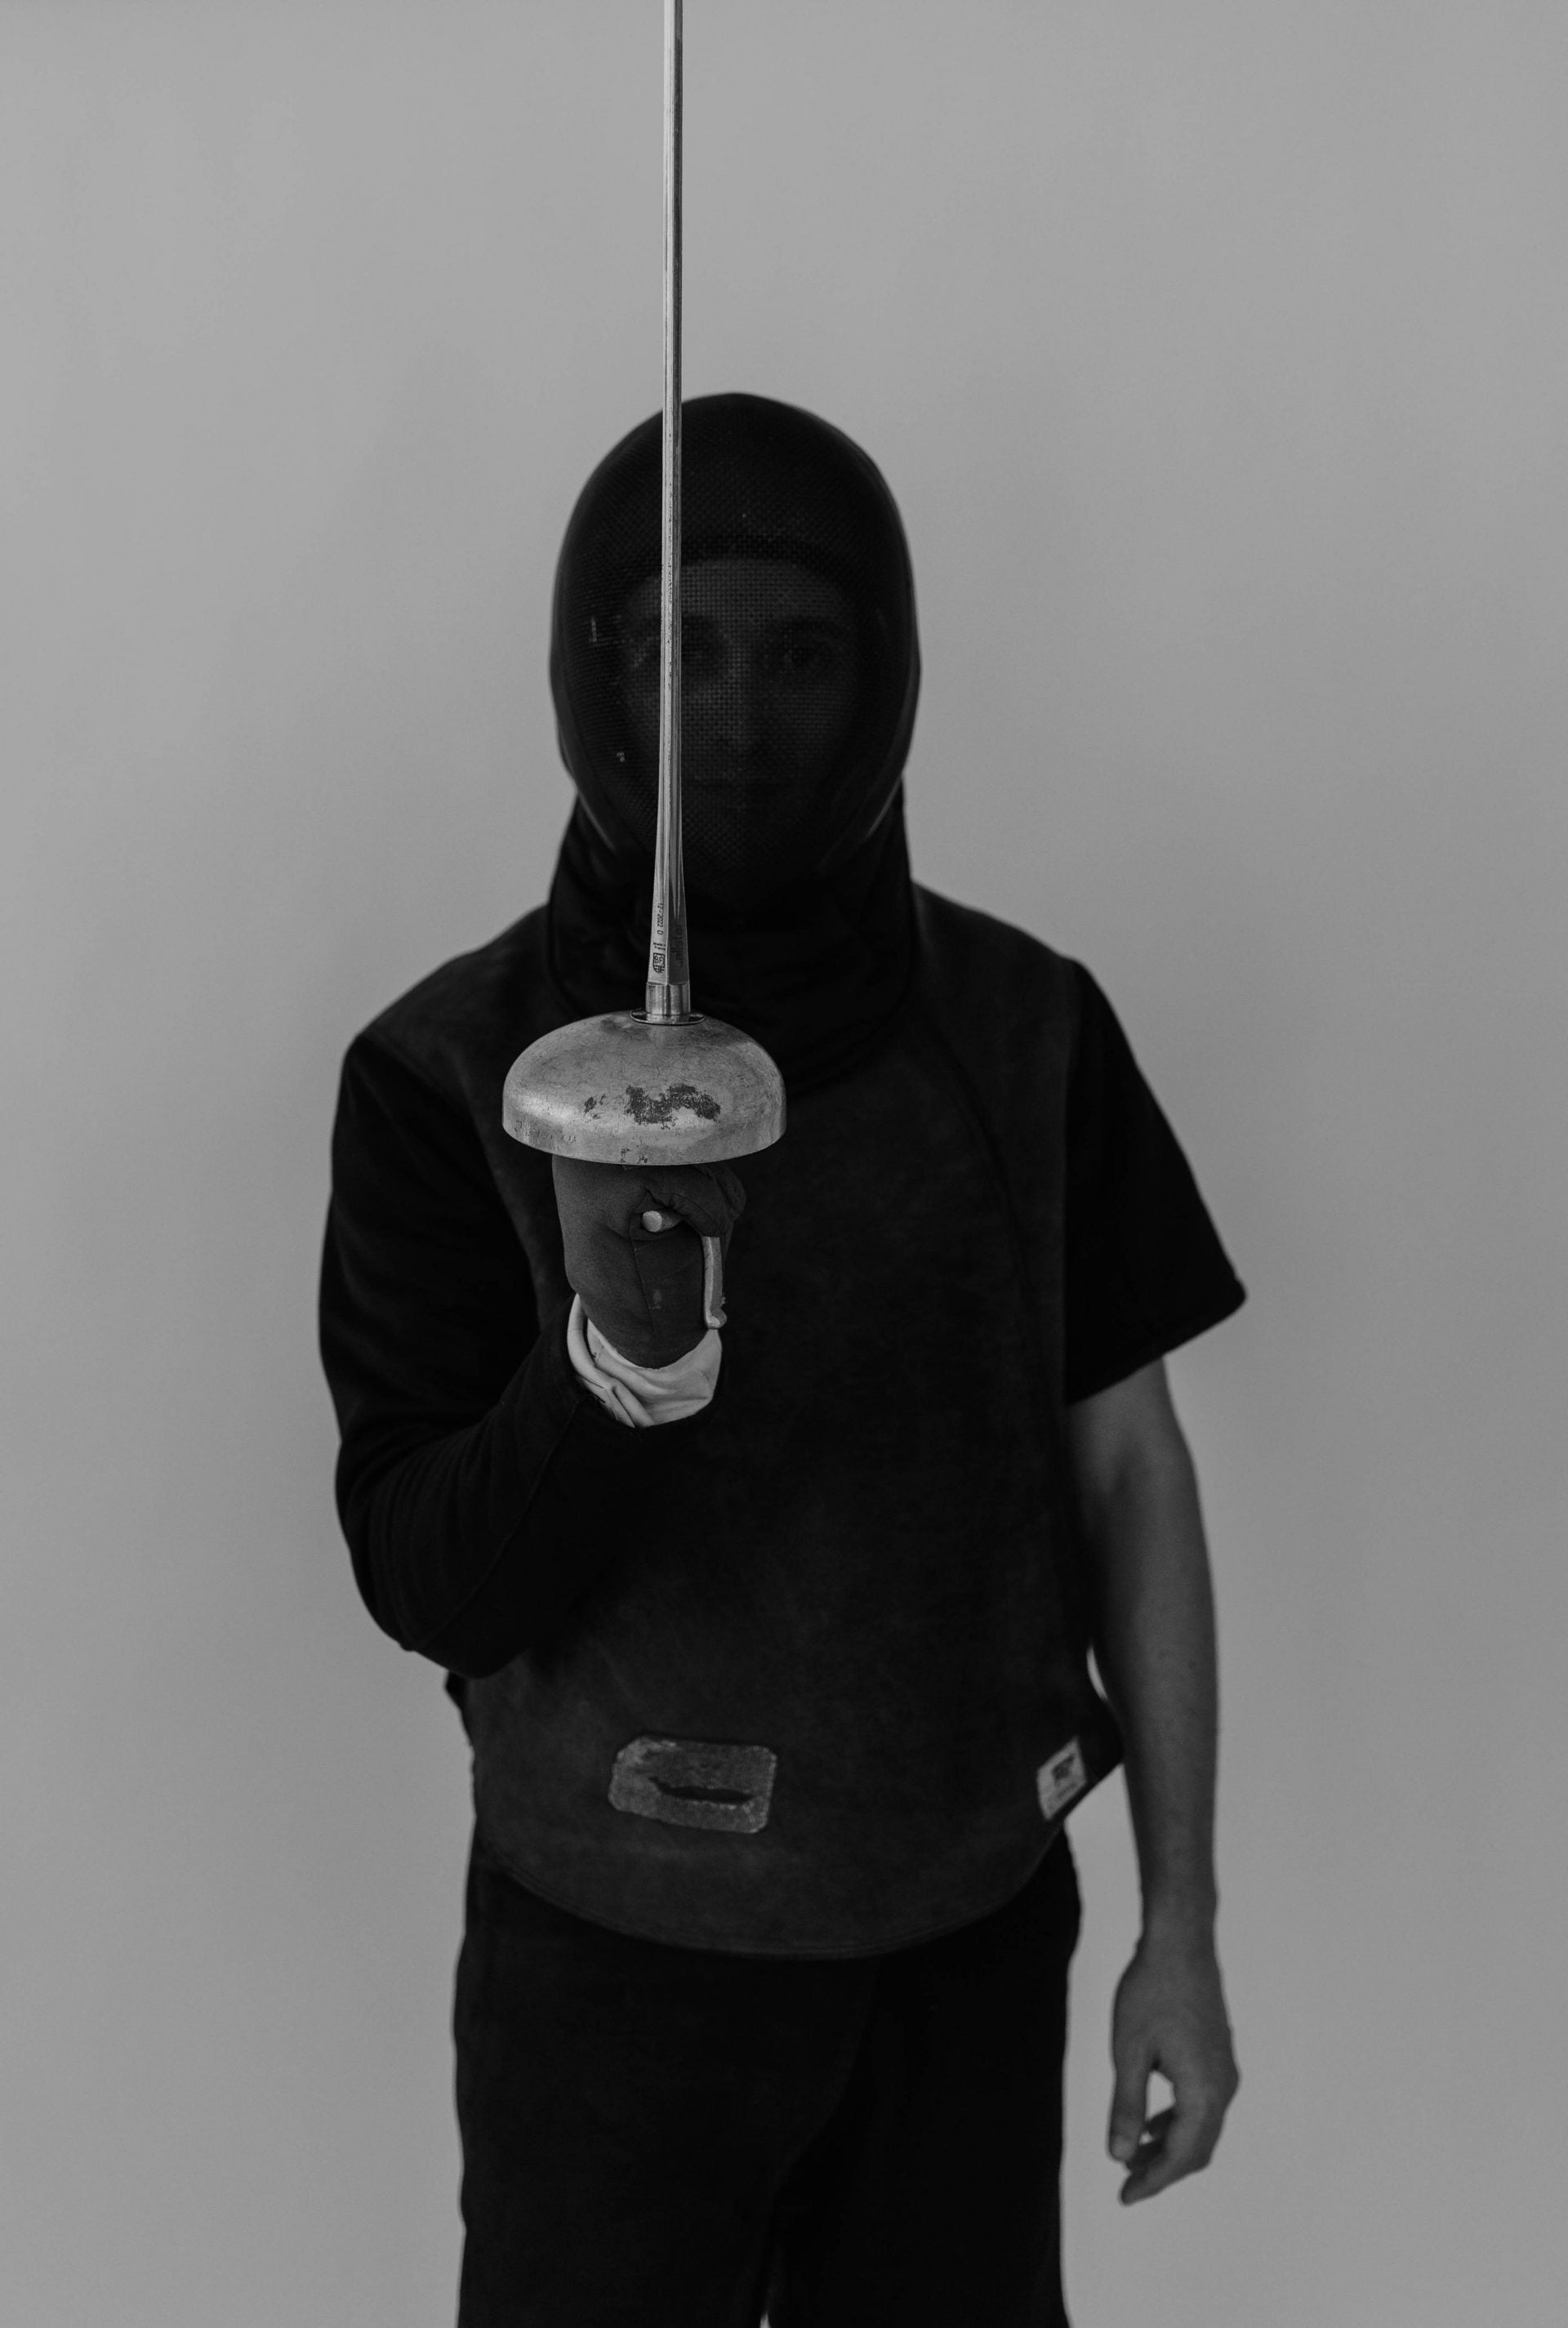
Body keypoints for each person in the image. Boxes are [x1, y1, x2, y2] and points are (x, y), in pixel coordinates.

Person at [318, 394, 1245, 2328]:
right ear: (596, 676)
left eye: (802, 657)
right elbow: (426, 1580)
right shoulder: (446, 1074)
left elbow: (1134, 1473)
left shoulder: (1030, 1033)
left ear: (884, 681)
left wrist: (1184, 1922)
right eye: (682, 652)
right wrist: (612, 1368)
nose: (737, 720)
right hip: (612, 1971)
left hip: (964, 1955)